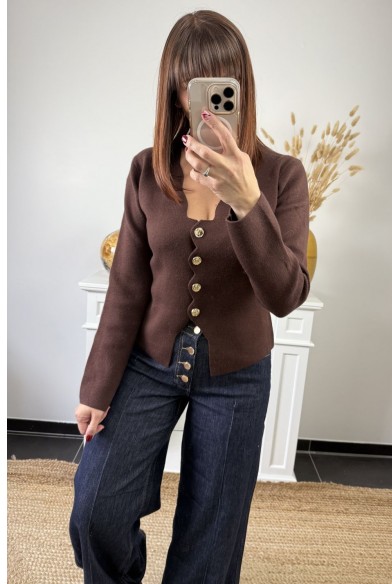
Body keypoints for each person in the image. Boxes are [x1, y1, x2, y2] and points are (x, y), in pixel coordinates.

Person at [69, 9, 310, 584]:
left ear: (241, 86)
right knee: (96, 511)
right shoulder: (146, 171)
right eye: (190, 85)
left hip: (236, 375)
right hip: (149, 363)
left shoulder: (282, 176)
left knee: (211, 540)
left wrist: (247, 201)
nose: (204, 103)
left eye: (222, 84)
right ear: (174, 90)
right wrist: (97, 387)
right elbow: (127, 286)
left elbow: (286, 294)